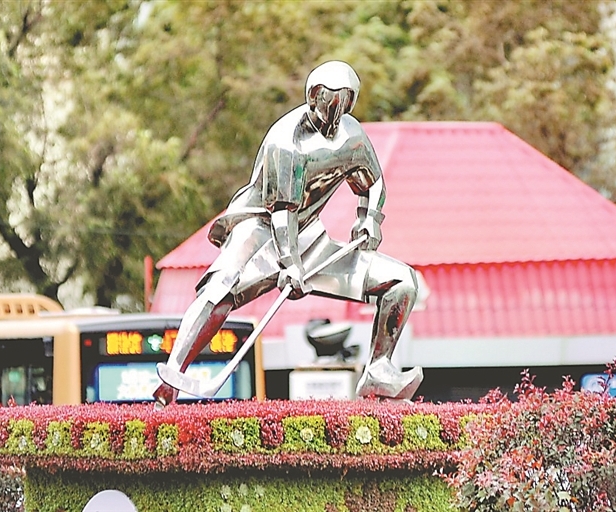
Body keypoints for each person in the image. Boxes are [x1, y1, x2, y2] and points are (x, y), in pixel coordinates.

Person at [153, 61, 422, 407]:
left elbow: (373, 182)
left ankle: (379, 370)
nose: (335, 114)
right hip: (260, 231)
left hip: (309, 236)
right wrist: (290, 266)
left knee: (401, 282)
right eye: (330, 102)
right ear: (313, 97)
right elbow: (282, 213)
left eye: (345, 103)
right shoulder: (286, 141)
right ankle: (173, 374)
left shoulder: (352, 136)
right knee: (220, 289)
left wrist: (370, 218)